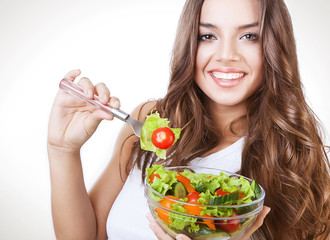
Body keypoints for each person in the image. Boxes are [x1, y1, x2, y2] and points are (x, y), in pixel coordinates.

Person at [47, 0, 330, 239]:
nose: (227, 56)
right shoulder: (149, 120)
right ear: (189, 44)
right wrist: (62, 151)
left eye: (249, 36)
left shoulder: (297, 155)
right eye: (207, 36)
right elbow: (91, 235)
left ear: (275, 45)